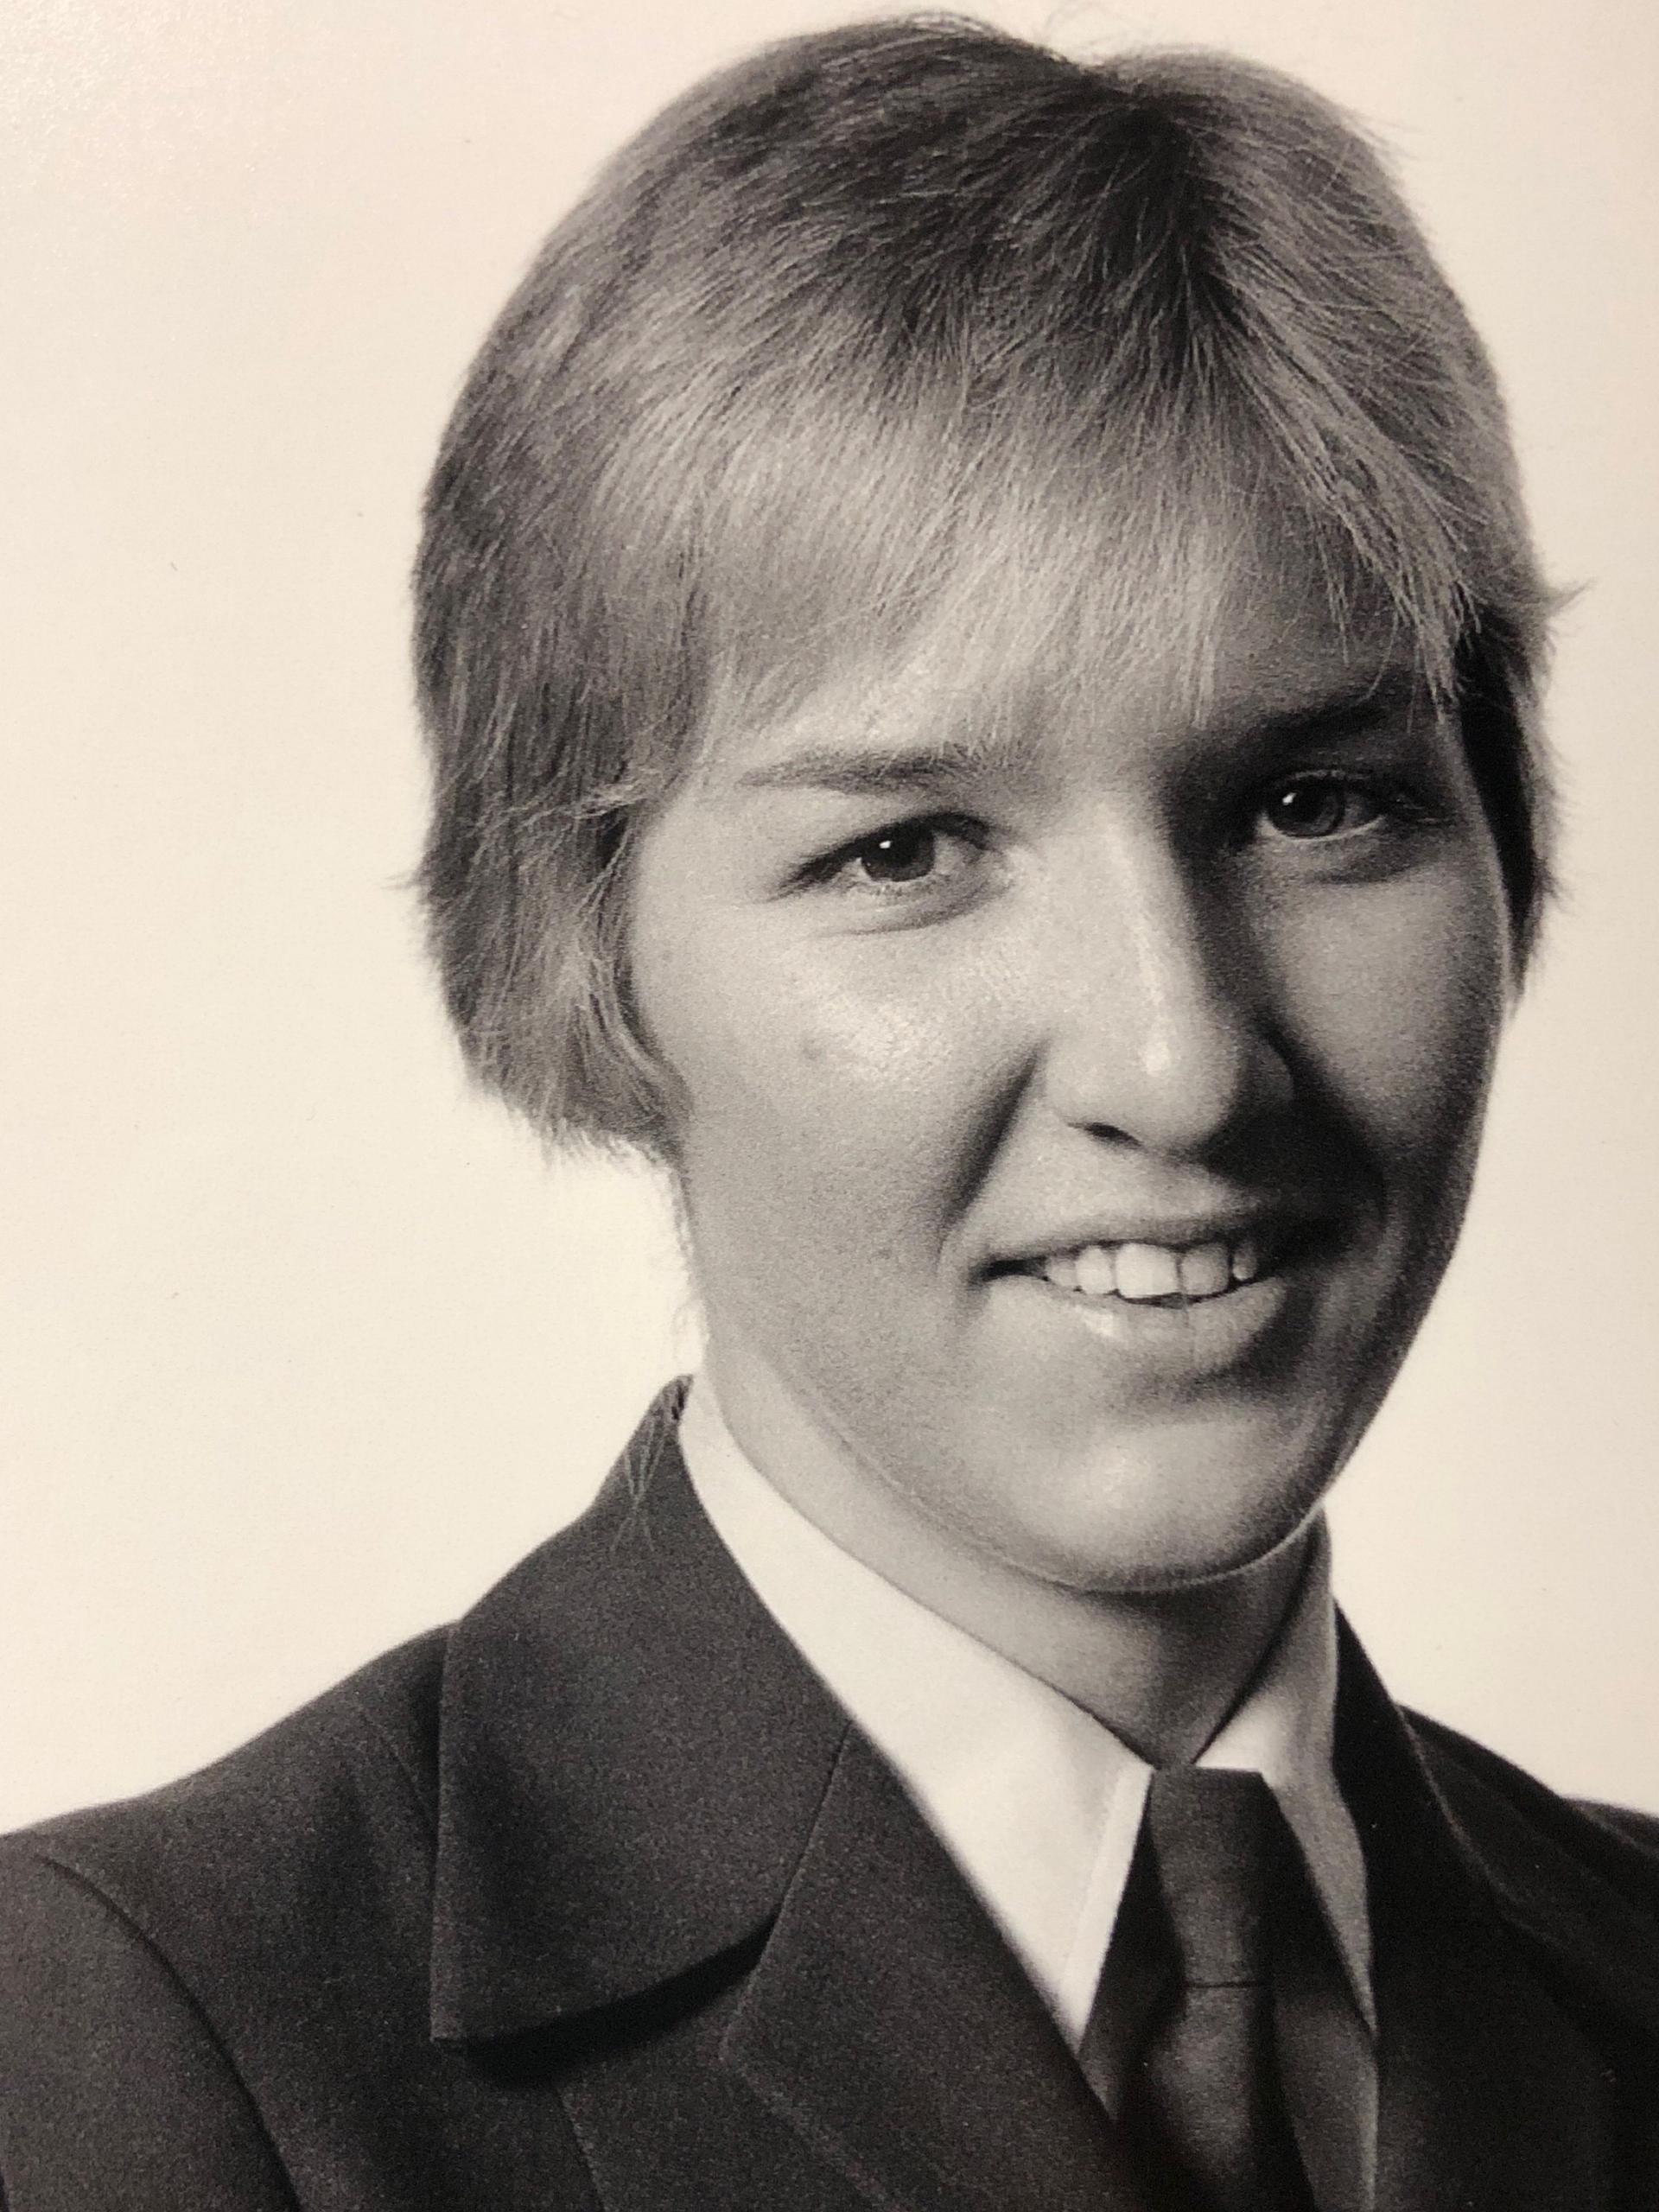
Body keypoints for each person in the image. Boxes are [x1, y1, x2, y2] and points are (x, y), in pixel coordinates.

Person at [3, 16, 1656, 2209]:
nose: (1179, 1060)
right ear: (586, 955)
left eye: (1311, 801)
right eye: (907, 849)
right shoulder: (140, 2044)